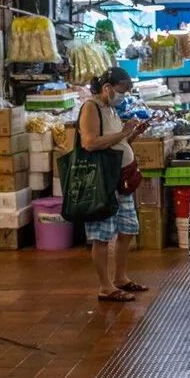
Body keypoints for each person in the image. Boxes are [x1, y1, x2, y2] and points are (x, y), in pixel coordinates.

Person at [79, 67, 150, 303]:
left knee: (128, 229)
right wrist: (123, 133)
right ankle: (105, 286)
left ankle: (120, 278)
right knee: (102, 235)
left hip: (121, 180)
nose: (124, 95)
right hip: (104, 181)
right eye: (122, 90)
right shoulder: (92, 107)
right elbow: (90, 143)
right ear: (107, 87)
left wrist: (133, 134)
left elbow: (115, 141)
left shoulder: (110, 109)